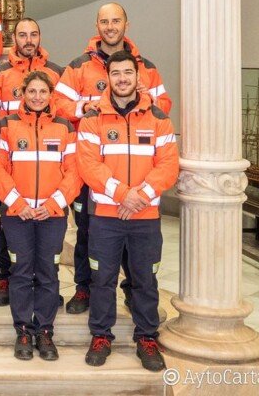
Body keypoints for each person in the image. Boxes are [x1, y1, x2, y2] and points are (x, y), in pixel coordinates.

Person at [54, 3, 172, 315]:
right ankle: (85, 287)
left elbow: (164, 105)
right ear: (97, 26)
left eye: (116, 21)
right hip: (92, 167)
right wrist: (84, 108)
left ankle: (133, 289)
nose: (110, 27)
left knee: (136, 238)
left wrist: (146, 96)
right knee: (87, 230)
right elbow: (58, 102)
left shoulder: (146, 67)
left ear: (126, 25)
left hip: (138, 172)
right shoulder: (78, 66)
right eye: (104, 21)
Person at [77, 50, 179, 372]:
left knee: (145, 280)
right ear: (107, 77)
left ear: (138, 77)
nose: (122, 79)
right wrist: (124, 195)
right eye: (116, 73)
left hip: (144, 217)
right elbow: (88, 165)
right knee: (102, 279)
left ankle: (146, 337)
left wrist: (140, 196)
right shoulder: (92, 118)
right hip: (105, 216)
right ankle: (101, 335)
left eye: (127, 73)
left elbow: (168, 166)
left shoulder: (159, 119)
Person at [0, 71, 81, 362]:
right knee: (20, 271)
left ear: (51, 95)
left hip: (51, 216)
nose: (37, 97)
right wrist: (18, 204)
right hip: (17, 215)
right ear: (23, 93)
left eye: (43, 91)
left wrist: (53, 204)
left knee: (47, 272)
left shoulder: (65, 127)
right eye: (32, 91)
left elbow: (74, 172)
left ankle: (44, 331)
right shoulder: (7, 125)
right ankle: (23, 331)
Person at [0, 18, 64, 307]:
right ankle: (6, 279)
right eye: (23, 35)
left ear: (40, 37)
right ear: (13, 38)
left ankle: (46, 282)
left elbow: (63, 113)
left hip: (45, 161)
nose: (28, 40)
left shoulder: (57, 72)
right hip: (11, 158)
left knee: (47, 240)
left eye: (33, 34)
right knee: (7, 228)